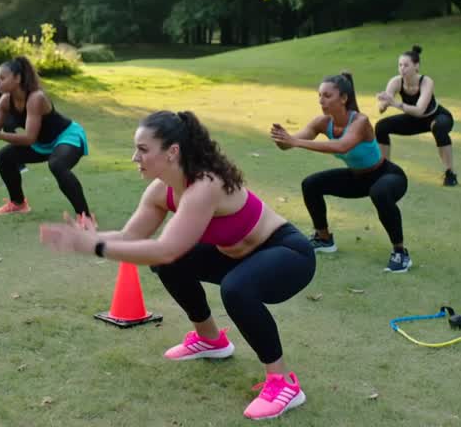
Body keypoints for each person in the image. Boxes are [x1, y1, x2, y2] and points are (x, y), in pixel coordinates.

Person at [39, 111, 315, 421]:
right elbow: (132, 236)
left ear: (172, 152)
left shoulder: (205, 184)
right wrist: (88, 238)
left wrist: (95, 245)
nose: (135, 157)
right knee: (169, 265)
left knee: (236, 288)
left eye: (143, 150)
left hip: (287, 253)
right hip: (236, 256)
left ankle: (283, 383)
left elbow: (166, 248)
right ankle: (211, 340)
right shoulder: (161, 190)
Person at [271, 72, 413, 273]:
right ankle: (324, 238)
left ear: (344, 98)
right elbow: (290, 144)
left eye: (327, 96)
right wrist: (283, 140)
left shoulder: (360, 122)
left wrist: (295, 141)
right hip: (357, 178)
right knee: (310, 184)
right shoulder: (322, 122)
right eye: (320, 95)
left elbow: (342, 147)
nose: (321, 100)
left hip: (386, 175)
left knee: (379, 193)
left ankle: (400, 252)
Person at [0, 56, 90, 216]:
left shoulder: (35, 98)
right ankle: (18, 204)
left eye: (2, 78)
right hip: (42, 144)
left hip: (67, 137)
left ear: (18, 78)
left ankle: (85, 217)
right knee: (4, 157)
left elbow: (29, 138)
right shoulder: (5, 101)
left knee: (57, 165)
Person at [375, 45, 458, 186]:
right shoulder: (395, 82)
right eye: (400, 65)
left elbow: (419, 110)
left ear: (416, 66)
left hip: (436, 117)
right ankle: (384, 170)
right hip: (413, 119)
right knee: (381, 127)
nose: (402, 68)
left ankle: (450, 173)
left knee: (438, 127)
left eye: (406, 65)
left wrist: (394, 103)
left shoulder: (426, 82)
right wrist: (383, 102)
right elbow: (382, 108)